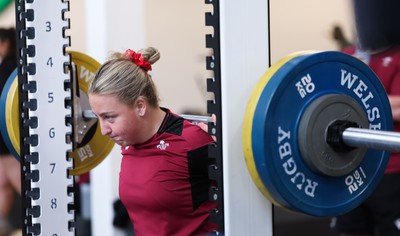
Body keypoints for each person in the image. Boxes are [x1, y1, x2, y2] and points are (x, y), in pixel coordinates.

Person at [88, 47, 218, 235]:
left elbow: (241, 194)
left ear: (140, 106)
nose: (103, 130)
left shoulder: (191, 141)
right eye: (98, 117)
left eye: (110, 117)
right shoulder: (130, 143)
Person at [0, 27, 21, 236]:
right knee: (2, 183)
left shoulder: (9, 67)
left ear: (6, 43)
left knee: (17, 180)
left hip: (7, 137)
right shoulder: (16, 66)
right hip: (7, 136)